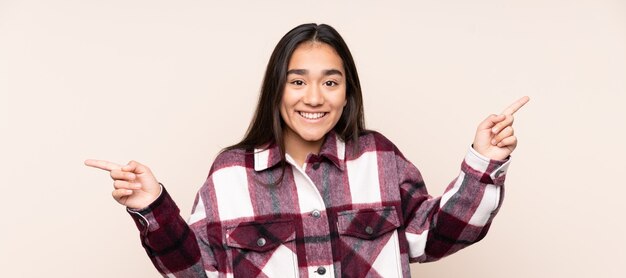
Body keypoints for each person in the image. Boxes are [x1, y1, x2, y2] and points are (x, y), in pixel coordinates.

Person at [85, 23, 529, 277]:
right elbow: (197, 272)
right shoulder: (231, 173)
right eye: (298, 81)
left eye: (330, 82)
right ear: (277, 89)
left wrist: (483, 162)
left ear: (347, 91)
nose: (314, 98)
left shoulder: (379, 157)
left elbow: (434, 236)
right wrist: (152, 208)